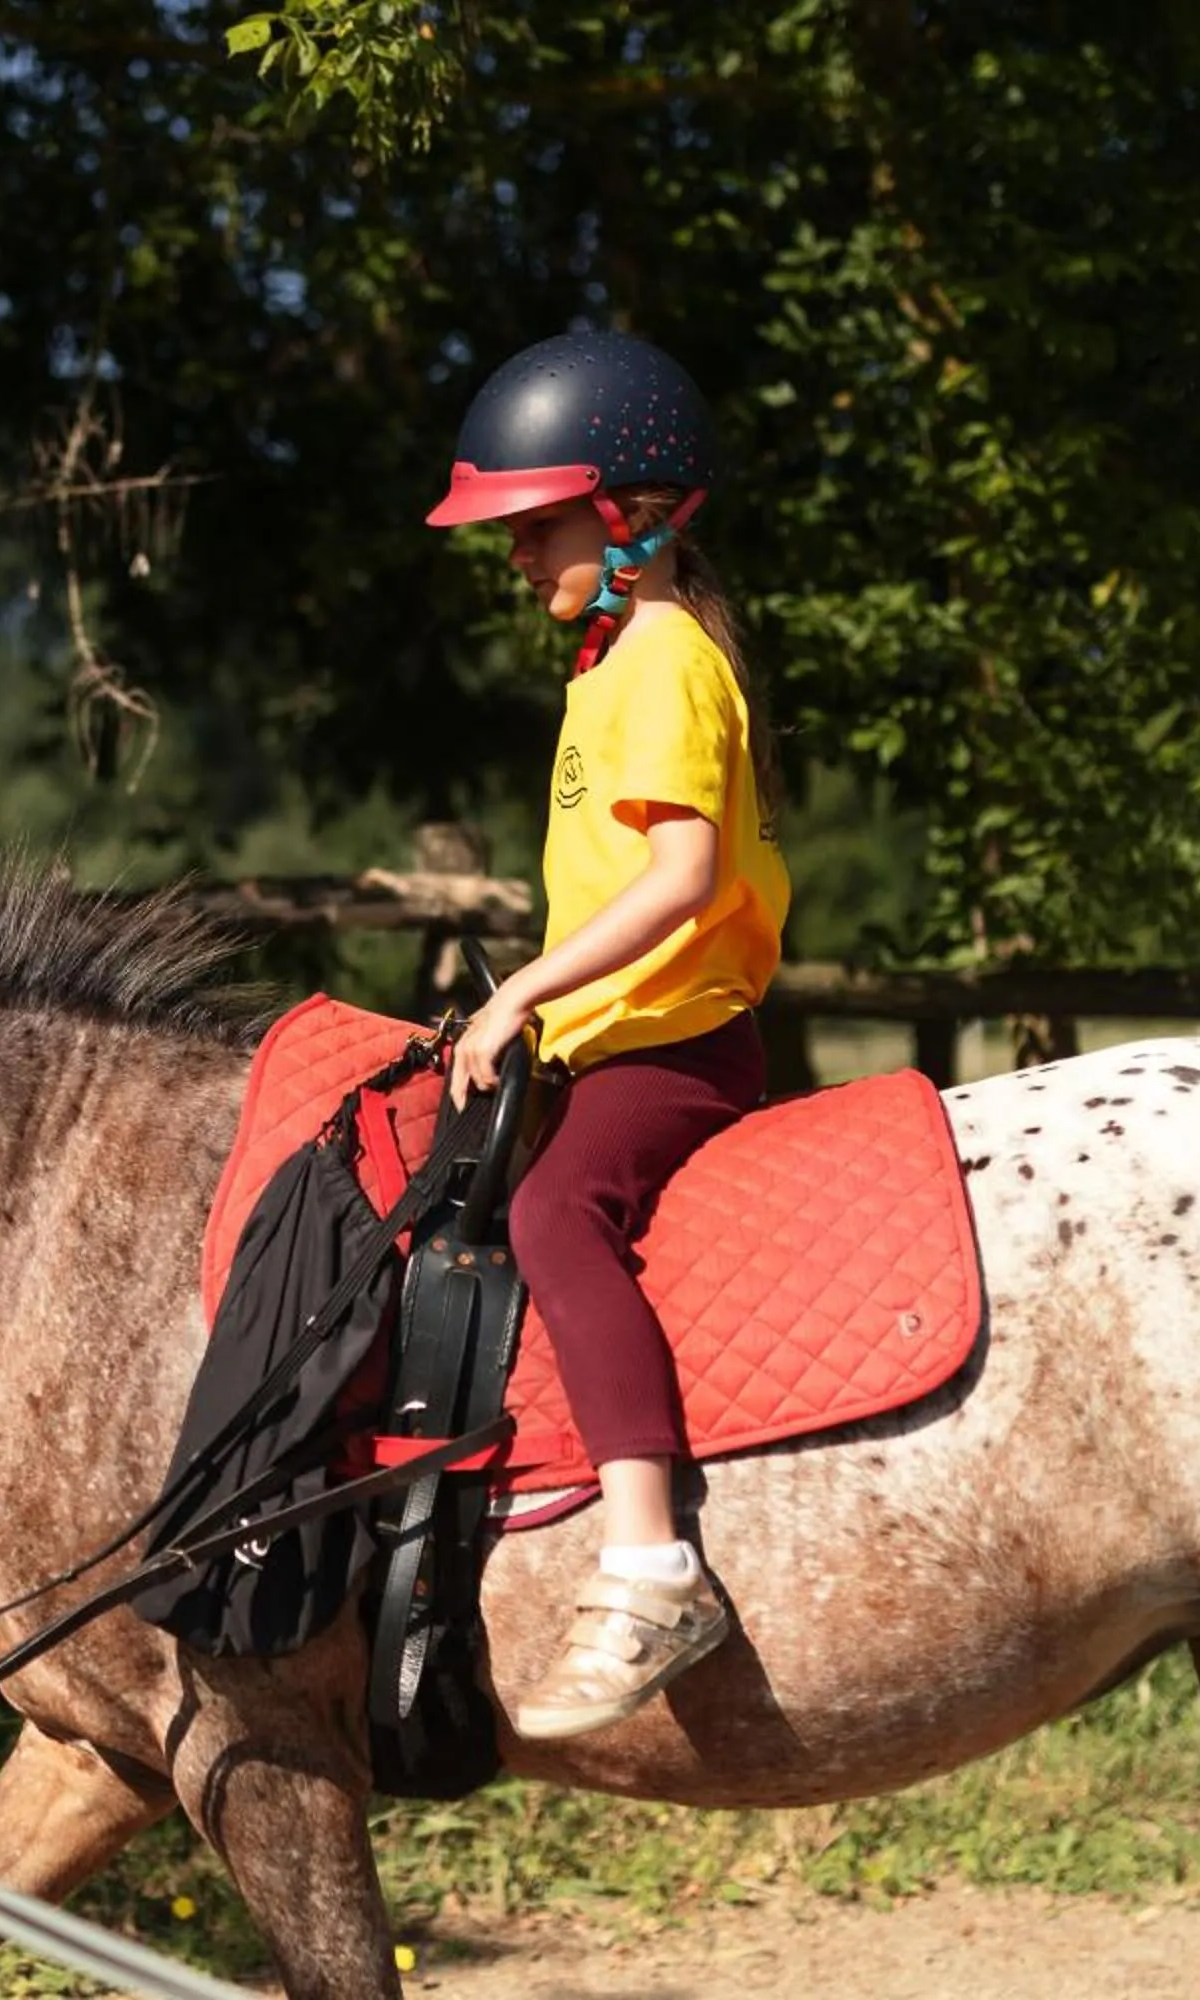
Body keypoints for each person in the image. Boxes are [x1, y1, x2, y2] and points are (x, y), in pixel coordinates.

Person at [426, 329, 792, 1740]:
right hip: (615, 1036)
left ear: (633, 514)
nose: (519, 559)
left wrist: (520, 991)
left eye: (537, 528)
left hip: (677, 1044)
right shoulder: (611, 665)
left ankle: (649, 1560)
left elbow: (684, 879)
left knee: (558, 1217)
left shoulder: (661, 661)